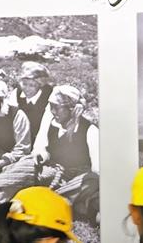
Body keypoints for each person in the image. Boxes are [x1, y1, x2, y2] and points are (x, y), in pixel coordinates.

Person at [32, 85, 100, 223]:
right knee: (27, 165)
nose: (52, 111)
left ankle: (51, 202)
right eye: (51, 106)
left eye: (56, 107)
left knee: (92, 180)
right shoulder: (52, 124)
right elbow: (45, 150)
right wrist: (43, 155)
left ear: (71, 108)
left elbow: (97, 169)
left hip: (77, 179)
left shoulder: (90, 130)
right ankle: (70, 204)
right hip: (55, 174)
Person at [7, 61, 54, 145]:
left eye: (32, 85)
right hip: (21, 136)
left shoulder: (49, 95)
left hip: (43, 136)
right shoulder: (16, 93)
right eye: (24, 84)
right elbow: (12, 119)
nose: (27, 89)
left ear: (40, 85)